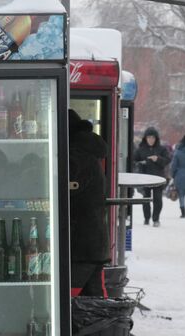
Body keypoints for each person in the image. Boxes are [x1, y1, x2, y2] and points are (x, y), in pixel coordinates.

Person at [68, 110, 109, 297]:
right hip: (92, 245)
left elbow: (66, 188)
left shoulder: (77, 156)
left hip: (80, 247)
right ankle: (107, 327)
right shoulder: (86, 153)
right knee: (96, 306)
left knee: (69, 302)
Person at [134, 127, 170, 227]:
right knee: (146, 199)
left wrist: (157, 159)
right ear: (145, 138)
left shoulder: (162, 149)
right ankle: (146, 218)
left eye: (153, 138)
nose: (151, 140)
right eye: (149, 137)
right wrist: (142, 163)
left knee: (158, 199)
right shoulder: (140, 149)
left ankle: (156, 218)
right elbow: (134, 161)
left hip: (158, 177)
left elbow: (167, 160)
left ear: (156, 138)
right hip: (145, 178)